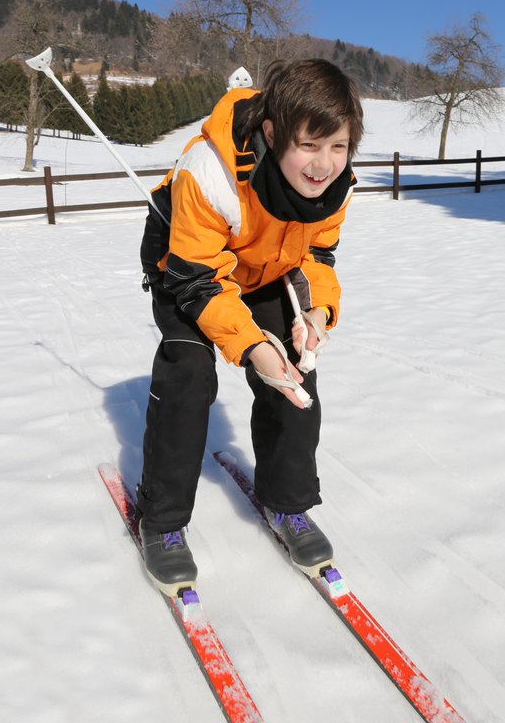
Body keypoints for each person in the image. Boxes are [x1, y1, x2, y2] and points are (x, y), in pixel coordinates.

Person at [137, 58, 364, 596]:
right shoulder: (208, 169)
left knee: (294, 372)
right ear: (271, 133)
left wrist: (316, 313)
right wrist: (250, 346)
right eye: (309, 145)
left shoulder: (338, 184)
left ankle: (289, 505)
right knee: (190, 375)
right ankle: (163, 521)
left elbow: (319, 254)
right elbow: (198, 282)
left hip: (266, 266)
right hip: (187, 265)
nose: (324, 164)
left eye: (338, 146)